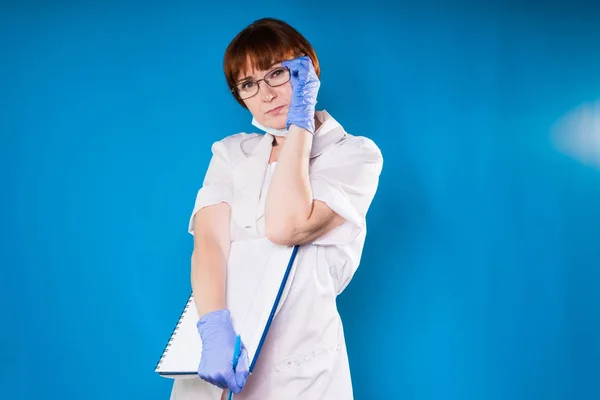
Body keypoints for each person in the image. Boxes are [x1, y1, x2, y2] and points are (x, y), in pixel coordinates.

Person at [169, 17, 383, 400]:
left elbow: (286, 226)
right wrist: (214, 329)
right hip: (220, 354)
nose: (265, 94)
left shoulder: (353, 155)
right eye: (249, 84)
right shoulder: (231, 153)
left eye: (278, 74)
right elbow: (209, 245)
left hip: (301, 366)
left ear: (308, 74)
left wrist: (301, 122)